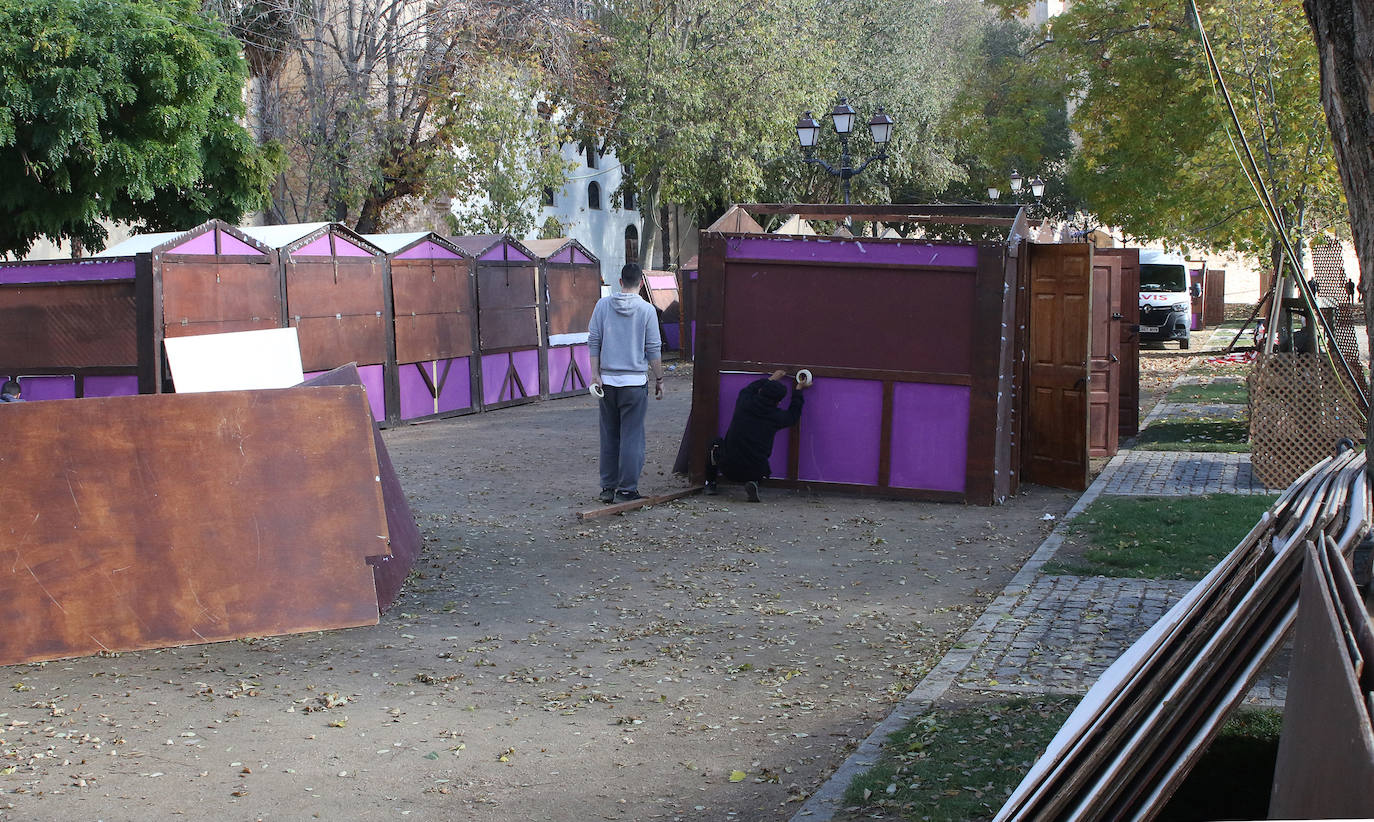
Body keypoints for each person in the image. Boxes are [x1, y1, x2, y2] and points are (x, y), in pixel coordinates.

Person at [588, 263, 663, 503]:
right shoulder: (647, 310)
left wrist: (595, 374)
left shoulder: (602, 306)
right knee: (632, 436)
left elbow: (594, 341)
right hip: (634, 383)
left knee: (610, 435)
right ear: (641, 284)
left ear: (620, 282)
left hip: (607, 383)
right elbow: (653, 349)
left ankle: (608, 488)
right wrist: (659, 378)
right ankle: (627, 489)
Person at [706, 369, 808, 502]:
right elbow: (794, 414)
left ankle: (710, 483)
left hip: (727, 467)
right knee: (758, 458)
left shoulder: (744, 402)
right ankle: (754, 483)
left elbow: (750, 388)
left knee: (715, 443)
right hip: (756, 471)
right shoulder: (777, 417)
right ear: (778, 402)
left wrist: (771, 379)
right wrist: (799, 389)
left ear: (761, 392)